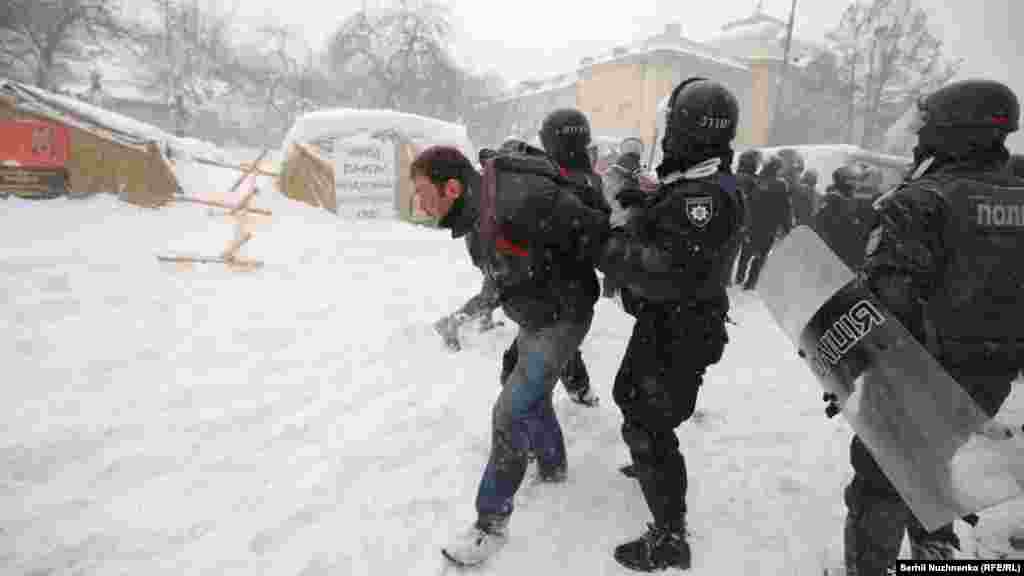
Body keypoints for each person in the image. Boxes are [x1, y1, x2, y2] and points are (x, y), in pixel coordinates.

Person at [838, 79, 1024, 575]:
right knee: (933, 461)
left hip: (915, 372)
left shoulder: (922, 200)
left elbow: (886, 304)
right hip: (990, 376)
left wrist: (844, 360)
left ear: (950, 130)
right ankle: (936, 553)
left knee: (879, 482)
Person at [409, 144, 610, 567]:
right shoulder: (476, 217)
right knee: (522, 393)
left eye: (422, 191)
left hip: (562, 317)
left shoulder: (517, 199)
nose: (418, 202)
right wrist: (463, 316)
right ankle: (553, 466)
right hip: (537, 315)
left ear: (451, 187)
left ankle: (489, 525)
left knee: (510, 411)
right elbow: (499, 280)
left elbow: (597, 235)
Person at [596, 77, 743, 572]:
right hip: (676, 321)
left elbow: (663, 270)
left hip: (679, 324)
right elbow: (671, 224)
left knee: (648, 417)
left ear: (687, 128)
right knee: (636, 399)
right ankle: (651, 463)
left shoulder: (702, 196)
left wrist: (607, 243)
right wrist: (641, 206)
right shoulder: (699, 182)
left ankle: (669, 536)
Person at [496, 110, 611, 408]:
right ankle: (580, 389)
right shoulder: (588, 180)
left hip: (551, 294)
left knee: (519, 371)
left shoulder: (550, 182)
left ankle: (527, 434)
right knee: (552, 349)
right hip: (565, 294)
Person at [736, 154, 790, 290]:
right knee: (761, 255)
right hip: (769, 225)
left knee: (746, 251)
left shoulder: (756, 180)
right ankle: (750, 283)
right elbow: (784, 207)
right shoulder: (780, 184)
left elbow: (748, 202)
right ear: (777, 169)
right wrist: (786, 227)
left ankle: (739, 276)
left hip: (752, 222)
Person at [812, 164, 872, 269]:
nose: (858, 186)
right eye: (855, 182)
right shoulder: (836, 201)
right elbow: (848, 230)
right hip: (840, 256)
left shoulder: (833, 200)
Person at [730, 148, 761, 286]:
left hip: (729, 218)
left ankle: (725, 277)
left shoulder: (730, 177)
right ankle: (739, 278)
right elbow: (756, 203)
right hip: (744, 220)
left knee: (728, 251)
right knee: (741, 252)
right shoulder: (755, 181)